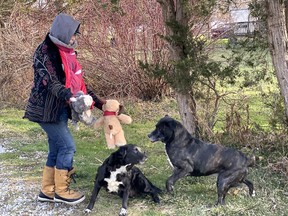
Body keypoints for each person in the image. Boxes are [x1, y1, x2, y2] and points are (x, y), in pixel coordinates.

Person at [23, 13, 105, 205]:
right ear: (63, 32)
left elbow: (80, 85)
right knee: (68, 146)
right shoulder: (45, 51)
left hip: (60, 109)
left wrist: (101, 104)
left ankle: (47, 191)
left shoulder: (68, 54)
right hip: (45, 110)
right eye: (73, 34)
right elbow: (50, 82)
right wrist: (70, 97)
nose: (74, 38)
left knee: (56, 149)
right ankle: (62, 191)